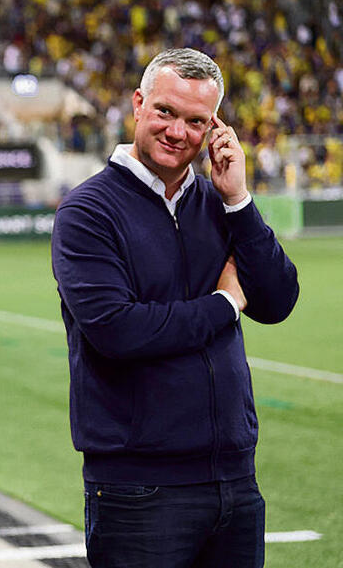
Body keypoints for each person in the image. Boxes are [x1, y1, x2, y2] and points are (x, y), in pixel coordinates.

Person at [51, 48, 299, 567]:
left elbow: (278, 301)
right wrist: (225, 304)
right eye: (165, 111)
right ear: (138, 104)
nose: (177, 131)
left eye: (196, 121)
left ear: (214, 128)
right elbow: (118, 330)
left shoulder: (217, 203)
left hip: (234, 478)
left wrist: (239, 200)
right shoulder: (87, 211)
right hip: (138, 489)